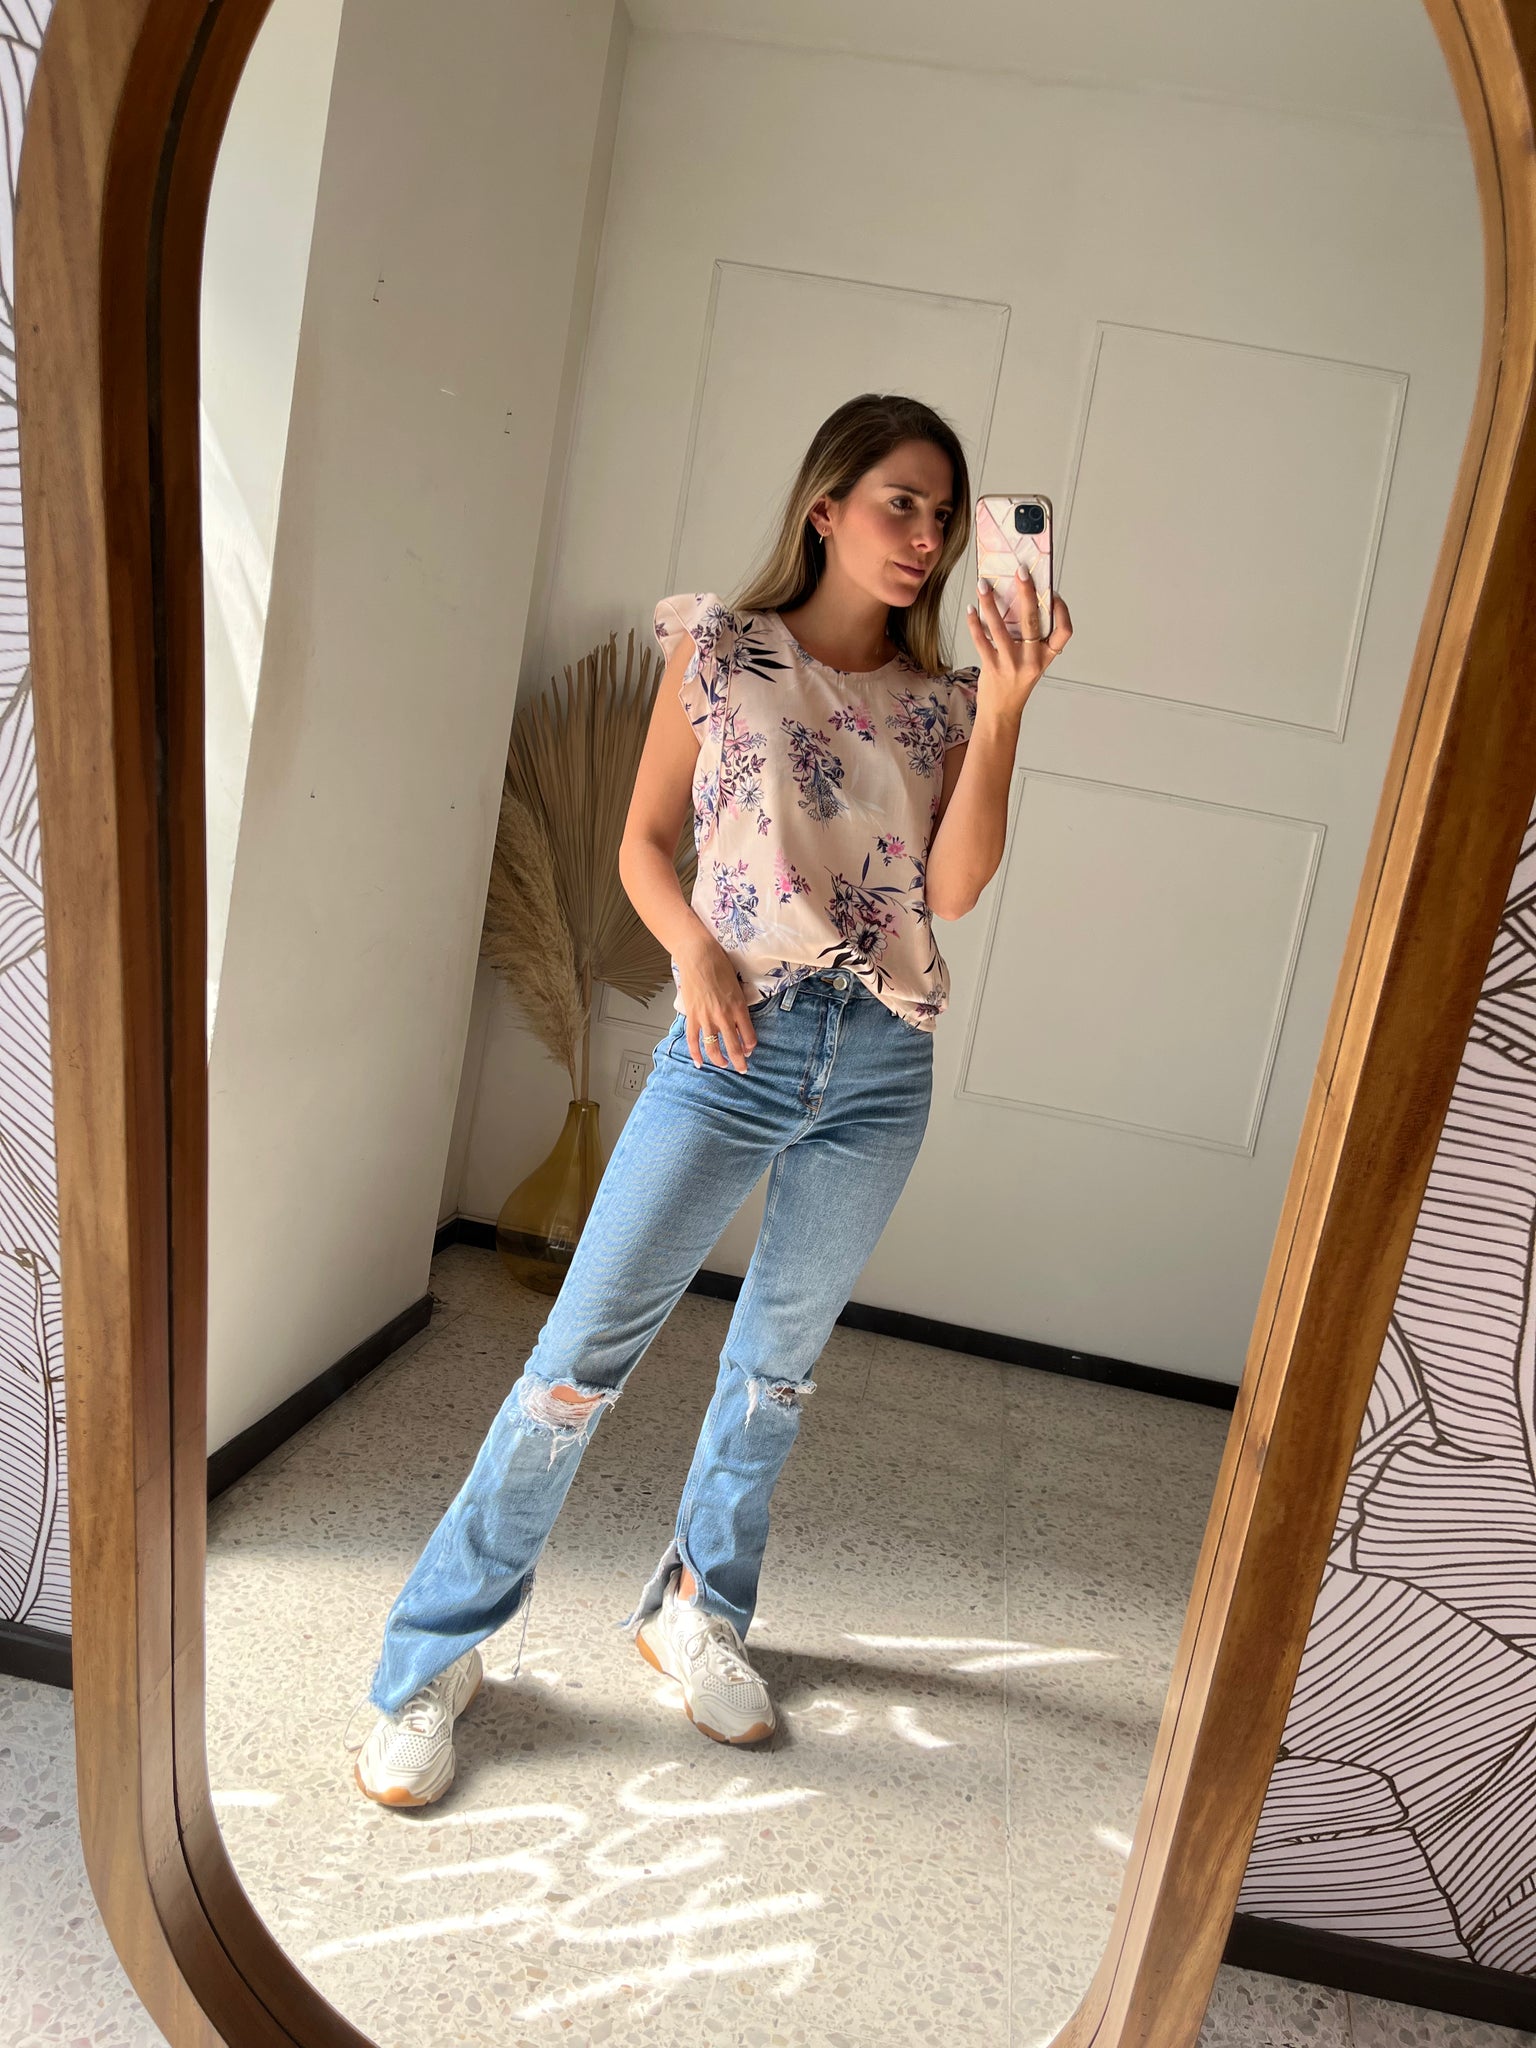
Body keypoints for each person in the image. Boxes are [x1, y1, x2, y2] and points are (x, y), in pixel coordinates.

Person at [351, 391, 1073, 1806]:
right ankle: (432, 1657)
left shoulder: (945, 703)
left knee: (775, 1373)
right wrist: (690, 952)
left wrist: (1009, 708)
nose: (926, 536)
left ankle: (698, 1610)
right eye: (901, 503)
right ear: (826, 506)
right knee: (574, 1366)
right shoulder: (723, 646)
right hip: (734, 1039)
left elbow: (955, 891)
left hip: (881, 1064)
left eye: (945, 513)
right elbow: (642, 841)